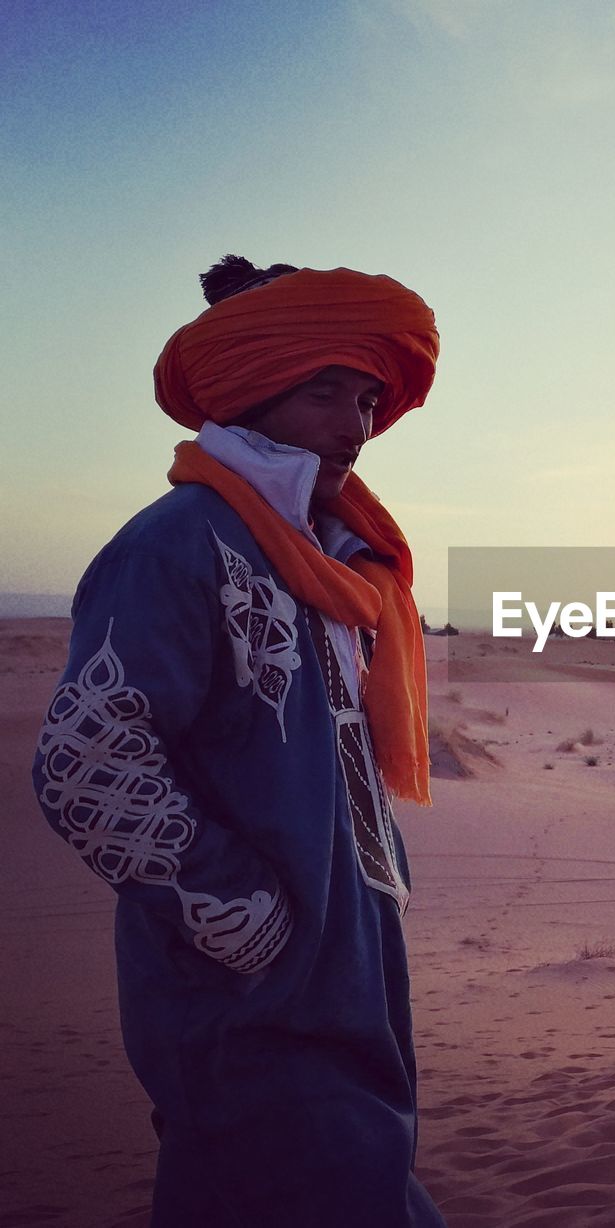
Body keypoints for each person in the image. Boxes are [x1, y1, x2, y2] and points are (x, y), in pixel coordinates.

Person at [31, 256, 447, 1226]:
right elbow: (87, 761)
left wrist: (362, 892)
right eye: (325, 391)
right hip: (247, 1002)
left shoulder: (326, 557)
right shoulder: (177, 542)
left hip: (345, 976)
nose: (356, 426)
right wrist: (246, 915)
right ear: (253, 384)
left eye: (368, 396)